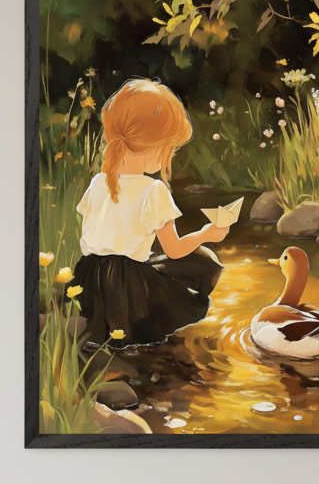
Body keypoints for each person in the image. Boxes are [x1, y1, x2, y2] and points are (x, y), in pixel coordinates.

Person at [70, 78, 228, 347]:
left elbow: (96, 235)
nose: (170, 156)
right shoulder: (153, 190)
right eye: (170, 148)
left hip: (87, 277)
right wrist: (205, 233)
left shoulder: (99, 181)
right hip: (127, 287)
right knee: (204, 261)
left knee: (151, 260)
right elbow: (175, 250)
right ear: (153, 146)